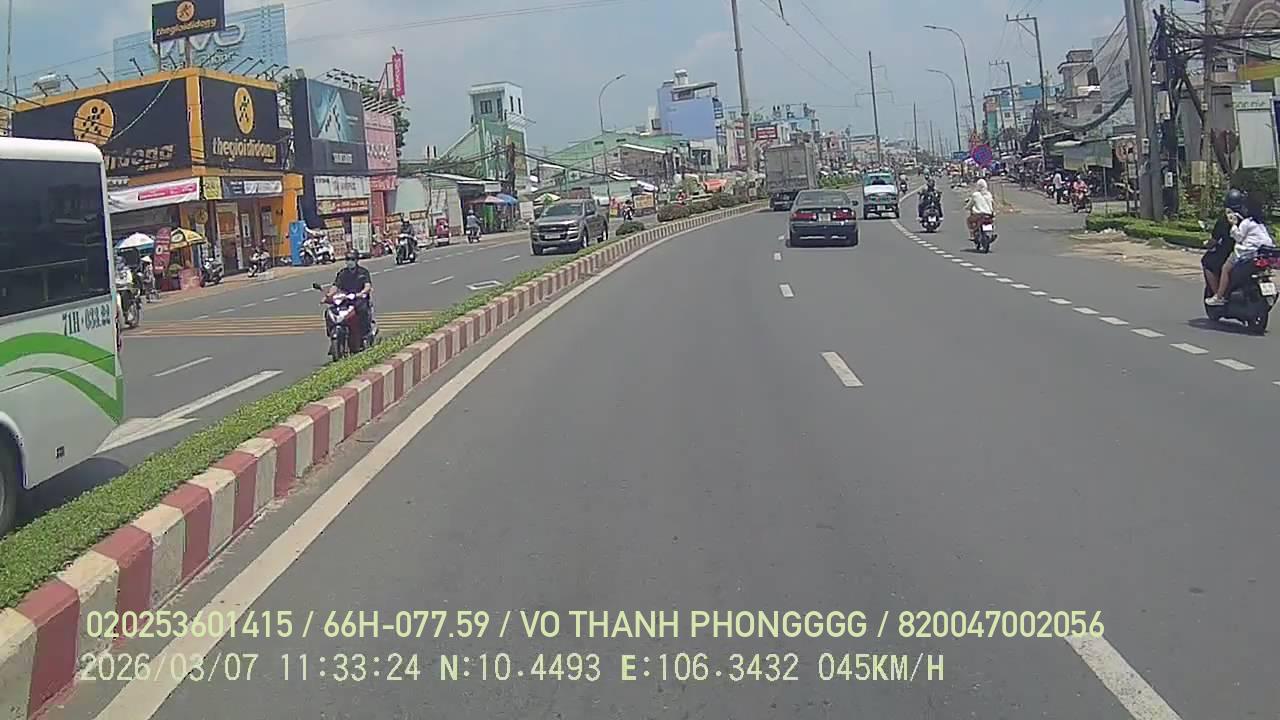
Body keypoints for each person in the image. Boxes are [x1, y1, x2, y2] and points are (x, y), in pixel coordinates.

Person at [1207, 193, 1275, 305]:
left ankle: (1219, 296)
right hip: (1262, 253)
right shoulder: (1260, 224)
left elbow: (1238, 237)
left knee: (1225, 269)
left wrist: (1233, 224)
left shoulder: (1246, 222)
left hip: (1246, 252)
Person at [1202, 189, 1246, 297]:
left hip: (1230, 251)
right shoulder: (1247, 218)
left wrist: (1207, 244)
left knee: (1207, 261)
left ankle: (1218, 295)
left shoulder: (1225, 220)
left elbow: (1214, 240)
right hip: (1248, 251)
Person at [333, 250, 374, 339]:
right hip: (345, 299)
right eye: (348, 259)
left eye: (352, 259)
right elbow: (335, 286)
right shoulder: (342, 273)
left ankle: (365, 333)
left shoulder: (363, 272)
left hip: (359, 299)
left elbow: (367, 286)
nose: (350, 262)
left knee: (362, 310)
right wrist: (328, 295)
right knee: (331, 311)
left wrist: (361, 293)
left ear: (356, 260)